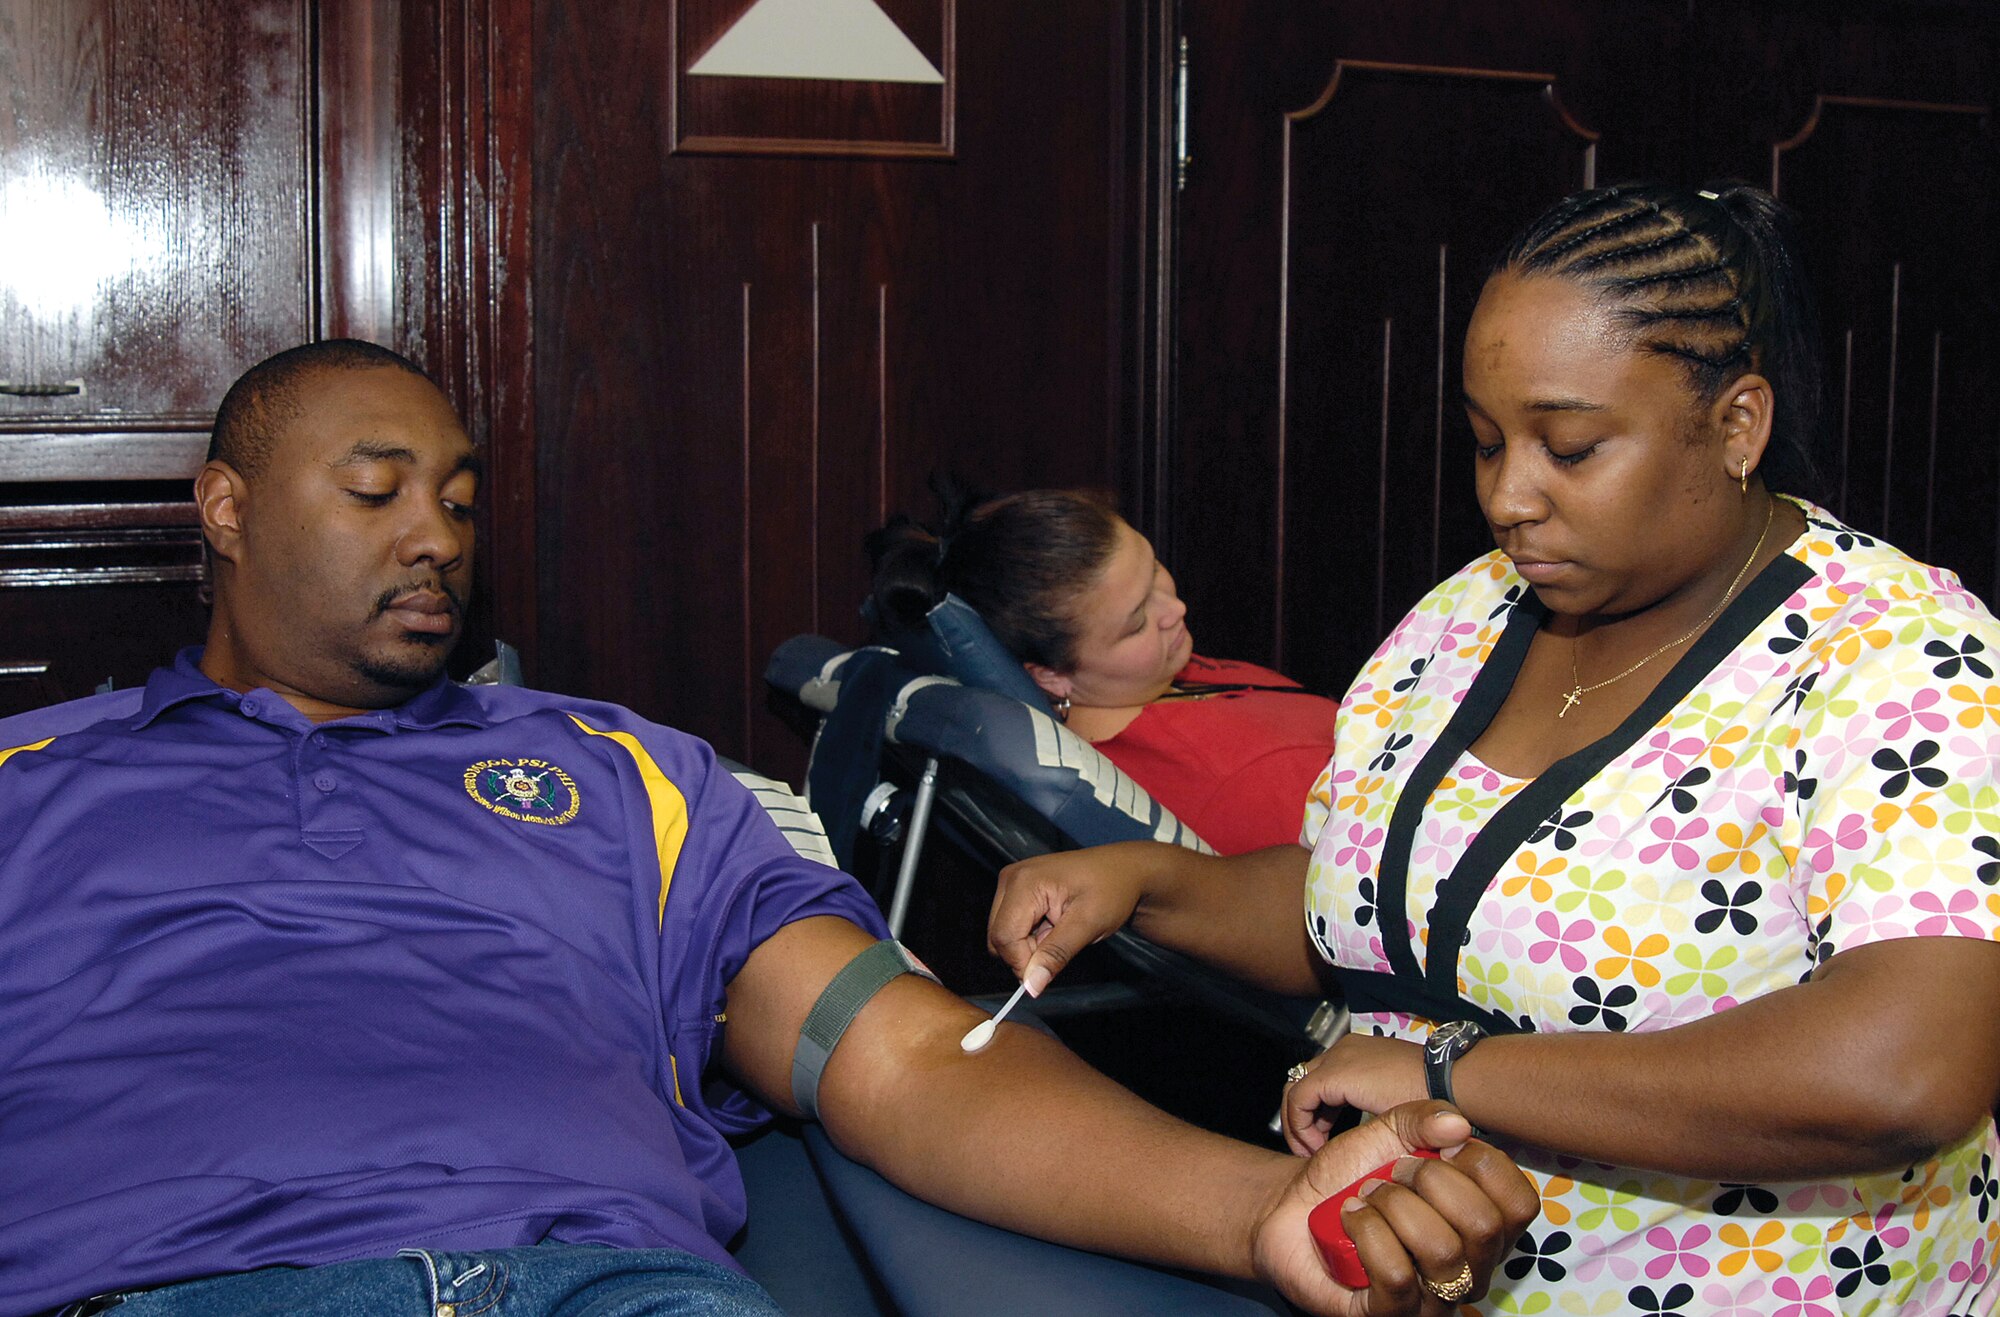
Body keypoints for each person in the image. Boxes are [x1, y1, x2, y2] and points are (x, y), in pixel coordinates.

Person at [0, 340, 1538, 1317]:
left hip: (606, 1287)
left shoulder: (626, 773)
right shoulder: (34, 780)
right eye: (377, 491)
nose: (437, 537)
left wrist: (1267, 1207)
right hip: (183, 1282)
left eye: (460, 500)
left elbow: (913, 1059)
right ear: (226, 508)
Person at [989, 182, 2000, 1314]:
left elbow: (1905, 1069)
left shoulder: (1898, 657)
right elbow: (1377, 909)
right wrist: (1148, 885)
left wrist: (1446, 1071)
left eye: (1569, 448)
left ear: (1735, 426)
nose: (1509, 498)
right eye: (1485, 443)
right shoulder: (1464, 616)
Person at [869, 488, 1339, 853]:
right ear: (1052, 676)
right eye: (1135, 623)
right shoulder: (1232, 784)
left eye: (1153, 569)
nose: (1175, 607)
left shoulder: (1146, 677)